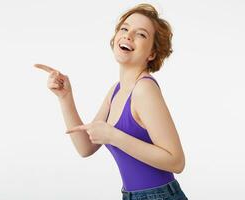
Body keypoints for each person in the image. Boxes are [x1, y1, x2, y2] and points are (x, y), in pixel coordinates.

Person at [34, 3, 188, 200]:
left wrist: (114, 136)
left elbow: (176, 162)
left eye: (141, 34)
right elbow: (85, 147)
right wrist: (65, 97)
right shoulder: (116, 90)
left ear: (152, 53)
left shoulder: (144, 90)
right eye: (124, 28)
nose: (128, 35)